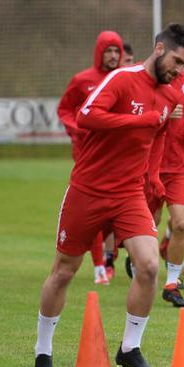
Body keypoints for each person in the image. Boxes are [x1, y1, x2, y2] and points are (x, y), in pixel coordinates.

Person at [33, 23, 184, 367]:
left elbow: (154, 141)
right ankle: (42, 353)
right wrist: (136, 120)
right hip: (88, 189)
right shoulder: (122, 80)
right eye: (177, 61)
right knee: (63, 271)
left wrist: (152, 177)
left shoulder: (171, 96)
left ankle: (129, 348)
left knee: (149, 266)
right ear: (159, 48)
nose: (179, 71)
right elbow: (86, 117)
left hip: (128, 193)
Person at [57, 30, 123, 284]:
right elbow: (64, 108)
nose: (113, 56)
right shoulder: (82, 79)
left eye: (117, 51)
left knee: (117, 208)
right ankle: (99, 265)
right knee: (93, 206)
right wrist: (76, 129)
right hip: (88, 153)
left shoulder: (123, 79)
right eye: (109, 51)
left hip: (118, 155)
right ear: (99, 52)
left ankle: (110, 256)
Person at [156, 70, 184, 307]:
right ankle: (140, 271)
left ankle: (172, 283)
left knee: (183, 221)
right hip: (148, 164)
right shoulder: (145, 80)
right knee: (148, 224)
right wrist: (164, 114)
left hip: (178, 167)